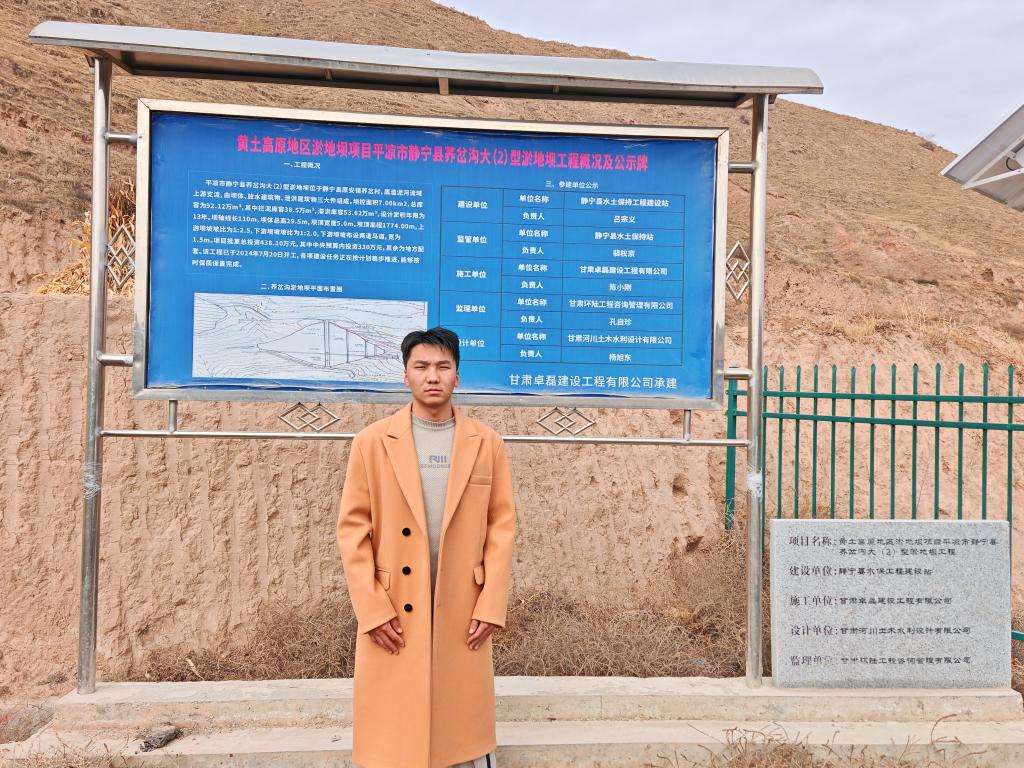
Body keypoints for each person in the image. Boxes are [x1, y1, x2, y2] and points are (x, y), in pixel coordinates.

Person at [336, 326, 515, 768]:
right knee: (393, 726)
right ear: (406, 375)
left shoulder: (487, 443)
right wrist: (372, 609)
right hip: (393, 601)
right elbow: (353, 530)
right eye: (421, 366)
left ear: (457, 375)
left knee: (461, 721)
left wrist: (491, 602)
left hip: (463, 601)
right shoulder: (372, 442)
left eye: (442, 366)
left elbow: (502, 527)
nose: (432, 376)